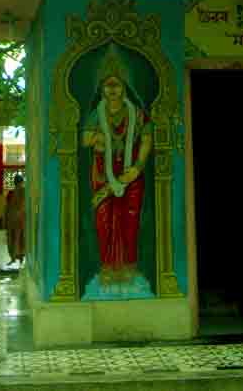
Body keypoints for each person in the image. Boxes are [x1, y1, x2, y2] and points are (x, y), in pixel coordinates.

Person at [81, 43, 153, 296]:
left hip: (131, 176)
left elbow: (146, 139)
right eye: (108, 86)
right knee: (104, 221)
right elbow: (85, 139)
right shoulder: (96, 113)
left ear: (124, 89)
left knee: (130, 221)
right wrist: (102, 140)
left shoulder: (136, 113)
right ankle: (108, 269)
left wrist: (137, 167)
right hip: (103, 174)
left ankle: (129, 269)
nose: (112, 90)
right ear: (102, 90)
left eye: (117, 85)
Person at [3, 174, 27, 265]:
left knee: (13, 238)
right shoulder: (24, 192)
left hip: (12, 217)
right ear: (21, 182)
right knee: (20, 238)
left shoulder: (12, 193)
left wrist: (4, 219)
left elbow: (7, 207)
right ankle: (19, 257)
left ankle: (14, 257)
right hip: (20, 218)